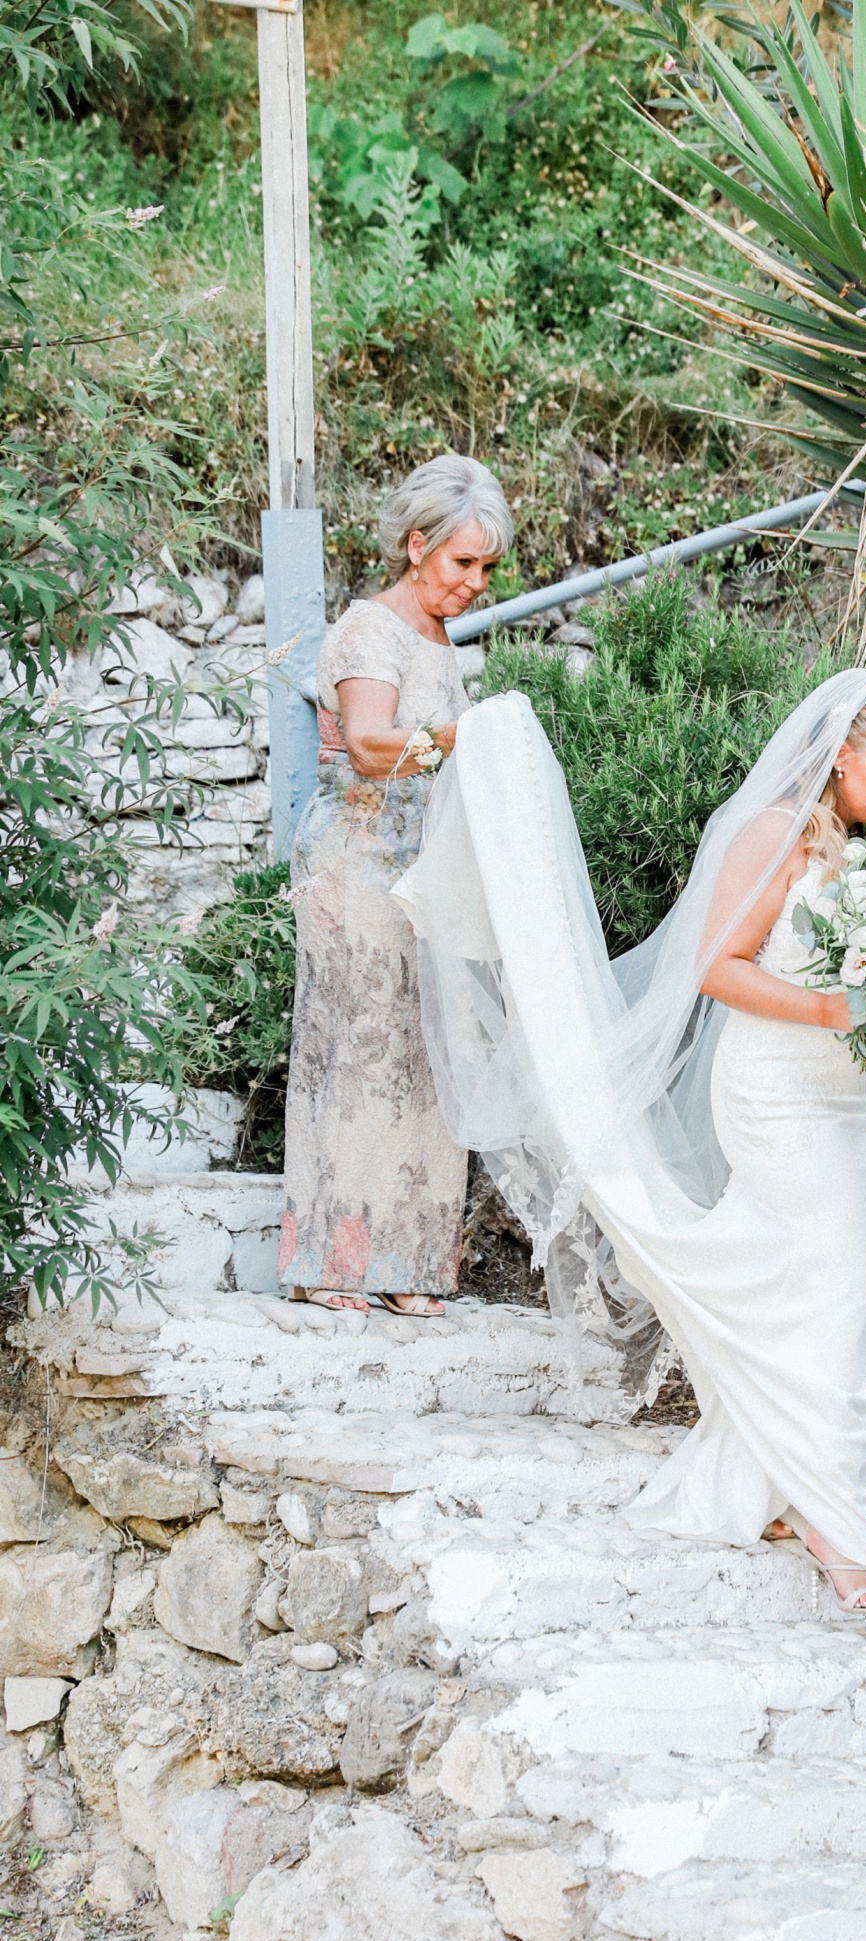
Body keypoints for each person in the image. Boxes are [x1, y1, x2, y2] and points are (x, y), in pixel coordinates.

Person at [394, 667, 866, 1611]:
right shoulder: (773, 832)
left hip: (851, 1099)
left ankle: (778, 1482)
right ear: (840, 753)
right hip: (775, 1092)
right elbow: (716, 967)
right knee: (842, 1278)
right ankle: (837, 1524)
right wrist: (833, 1003)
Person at [277, 454, 511, 1316]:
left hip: (425, 866)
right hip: (358, 862)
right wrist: (466, 736)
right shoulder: (369, 630)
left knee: (424, 1051)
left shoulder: (438, 639)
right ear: (418, 547)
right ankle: (330, 1260)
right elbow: (372, 743)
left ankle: (407, 1261)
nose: (476, 582)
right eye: (463, 563)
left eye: (487, 568)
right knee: (358, 1047)